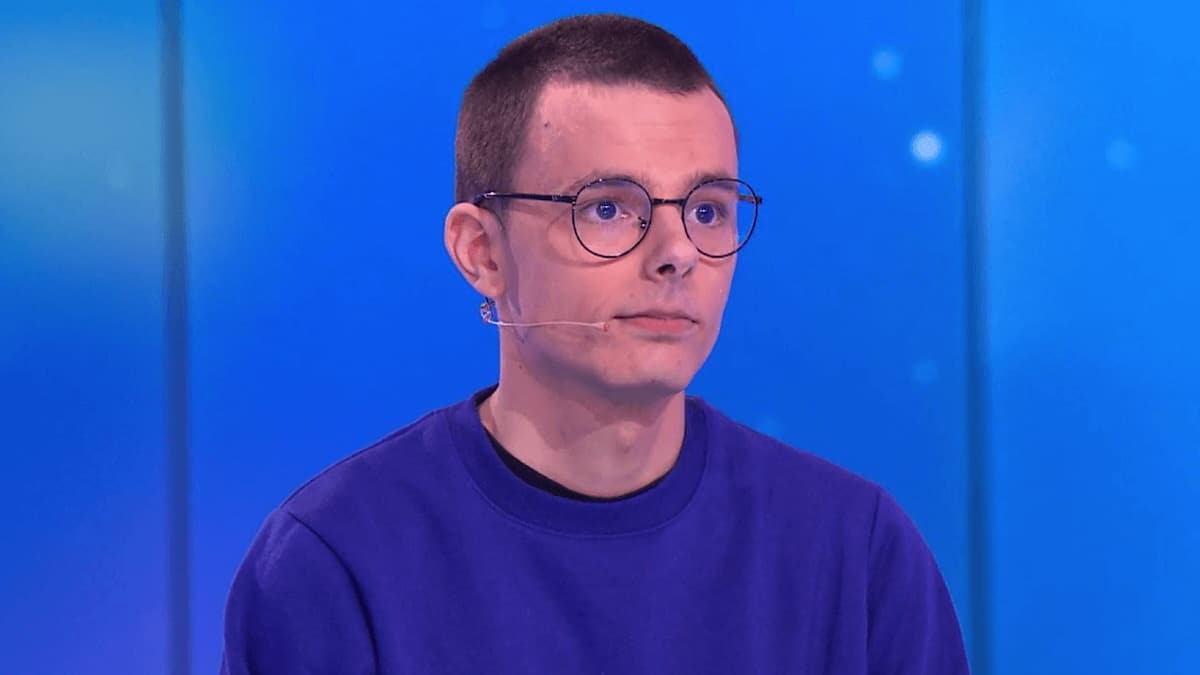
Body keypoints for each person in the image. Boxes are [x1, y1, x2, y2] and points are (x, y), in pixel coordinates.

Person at [220, 13, 969, 674]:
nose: (677, 253)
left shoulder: (856, 552)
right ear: (482, 252)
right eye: (608, 208)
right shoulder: (336, 563)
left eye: (707, 210)